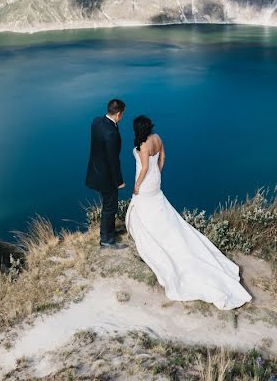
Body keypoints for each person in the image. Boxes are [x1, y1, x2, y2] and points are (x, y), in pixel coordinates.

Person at [125, 115, 252, 310]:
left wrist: (136, 186)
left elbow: (142, 169)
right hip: (155, 184)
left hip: (145, 184)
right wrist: (157, 173)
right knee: (161, 212)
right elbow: (163, 158)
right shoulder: (157, 138)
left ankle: (154, 237)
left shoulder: (142, 146)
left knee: (142, 208)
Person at [85, 98, 126, 249]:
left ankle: (108, 231)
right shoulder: (111, 133)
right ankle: (107, 241)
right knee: (111, 206)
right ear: (119, 114)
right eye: (122, 115)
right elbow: (113, 160)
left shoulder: (96, 122)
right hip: (106, 177)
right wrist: (119, 181)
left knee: (107, 205)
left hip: (95, 171)